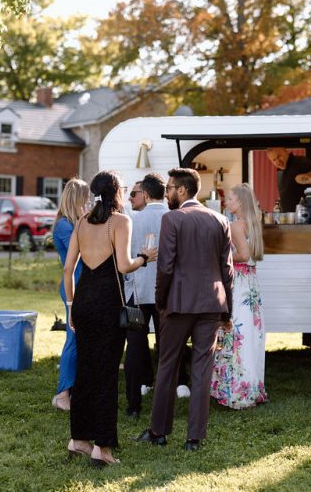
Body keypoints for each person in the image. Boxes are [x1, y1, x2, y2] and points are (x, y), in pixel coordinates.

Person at [63, 171, 157, 467]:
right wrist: (145, 257)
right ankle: (101, 448)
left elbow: (68, 270)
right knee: (105, 375)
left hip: (82, 302)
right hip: (106, 303)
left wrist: (70, 306)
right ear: (117, 192)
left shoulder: (81, 222)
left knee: (85, 371)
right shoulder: (120, 221)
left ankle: (78, 439)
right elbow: (125, 266)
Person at [137, 168, 233, 451]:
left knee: (168, 366)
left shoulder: (172, 218)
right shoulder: (220, 219)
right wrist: (226, 312)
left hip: (178, 304)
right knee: (202, 370)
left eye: (168, 189)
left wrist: (160, 301)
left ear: (182, 191)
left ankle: (159, 432)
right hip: (211, 305)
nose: (166, 193)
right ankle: (194, 438)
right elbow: (227, 271)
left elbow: (165, 267)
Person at [123, 174, 190, 420]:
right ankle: (168, 398)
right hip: (167, 292)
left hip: (137, 293)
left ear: (147, 194)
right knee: (168, 347)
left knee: (135, 347)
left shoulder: (132, 221)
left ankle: (133, 404)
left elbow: (128, 257)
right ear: (163, 193)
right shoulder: (175, 219)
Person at [211, 183, 268, 409]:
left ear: (241, 202)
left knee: (236, 334)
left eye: (231, 199)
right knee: (251, 337)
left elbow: (243, 254)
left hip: (241, 283)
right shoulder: (253, 223)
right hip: (252, 282)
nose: (228, 202)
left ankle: (236, 391)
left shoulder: (235, 225)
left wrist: (220, 255)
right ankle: (252, 387)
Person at [51, 178, 90, 411]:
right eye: (86, 200)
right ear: (77, 200)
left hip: (83, 286)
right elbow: (82, 254)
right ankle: (62, 394)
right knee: (73, 339)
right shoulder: (65, 226)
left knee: (81, 339)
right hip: (72, 287)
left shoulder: (72, 223)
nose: (89, 204)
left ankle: (74, 389)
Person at [265, 147, 311, 212]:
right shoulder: (280, 171)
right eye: (274, 160)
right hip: (288, 217)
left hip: (304, 215)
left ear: (286, 152)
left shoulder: (301, 162)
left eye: (279, 156)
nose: (278, 161)